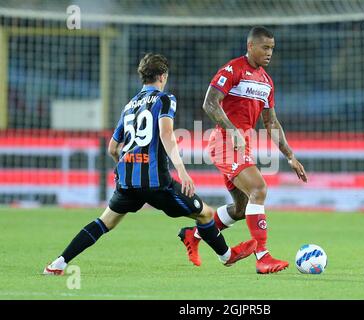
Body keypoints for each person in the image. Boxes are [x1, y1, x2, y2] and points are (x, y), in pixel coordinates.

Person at [43, 53, 256, 275]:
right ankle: (227, 256)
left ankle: (58, 263)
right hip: (157, 183)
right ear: (163, 76)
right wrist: (182, 171)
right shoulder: (165, 99)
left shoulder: (130, 105)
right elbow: (166, 134)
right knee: (205, 214)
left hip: (127, 180)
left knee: (104, 222)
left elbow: (112, 148)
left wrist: (123, 167)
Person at [178, 26, 308, 274]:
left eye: (272, 48)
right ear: (251, 46)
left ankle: (193, 234)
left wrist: (290, 156)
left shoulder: (267, 82)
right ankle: (263, 256)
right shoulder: (233, 69)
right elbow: (210, 103)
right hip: (225, 140)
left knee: (240, 208)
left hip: (242, 142)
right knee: (259, 189)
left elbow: (271, 123)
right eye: (265, 48)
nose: (270, 53)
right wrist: (232, 129)